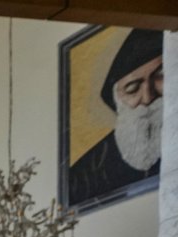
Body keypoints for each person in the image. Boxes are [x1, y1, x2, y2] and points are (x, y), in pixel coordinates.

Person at [68, 29, 164, 206]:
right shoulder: (83, 176)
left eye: (160, 76)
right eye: (132, 88)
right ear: (117, 100)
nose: (148, 96)